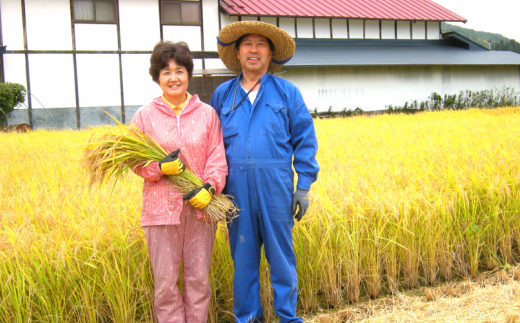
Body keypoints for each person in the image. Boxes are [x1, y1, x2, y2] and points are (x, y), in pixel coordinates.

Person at [210, 22, 320, 323]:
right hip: (236, 194)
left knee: (282, 260)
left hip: (276, 190)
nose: (254, 49)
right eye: (248, 44)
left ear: (270, 54)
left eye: (261, 44)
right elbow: (212, 145)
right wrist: (211, 190)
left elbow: (305, 140)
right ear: (237, 51)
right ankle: (248, 319)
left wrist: (304, 185)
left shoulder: (287, 93)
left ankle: (288, 317)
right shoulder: (223, 96)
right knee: (243, 264)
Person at [131, 41, 228, 323]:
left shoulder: (207, 115)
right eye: (165, 72)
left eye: (179, 71)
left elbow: (217, 158)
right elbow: (135, 162)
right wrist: (159, 167)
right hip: (160, 213)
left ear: (189, 74)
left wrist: (209, 189)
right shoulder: (144, 117)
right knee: (165, 286)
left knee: (198, 282)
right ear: (157, 77)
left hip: (201, 212)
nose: (173, 78)